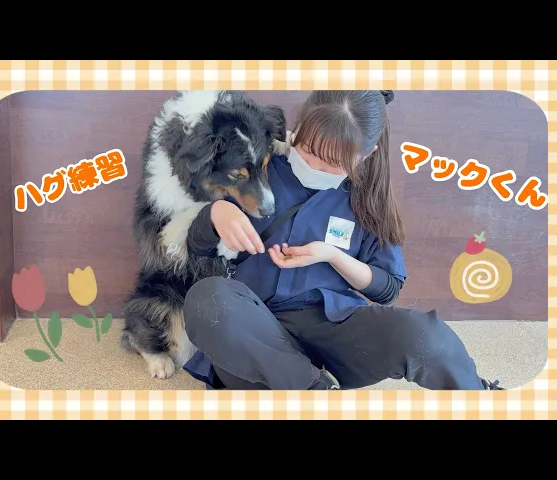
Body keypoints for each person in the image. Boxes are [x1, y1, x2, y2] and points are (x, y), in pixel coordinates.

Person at [181, 90, 504, 391]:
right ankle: (315, 388)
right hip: (252, 334)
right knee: (207, 298)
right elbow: (196, 248)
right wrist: (216, 213)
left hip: (333, 330)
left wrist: (332, 255)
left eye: (334, 163)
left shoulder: (365, 198)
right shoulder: (257, 170)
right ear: (298, 127)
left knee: (424, 336)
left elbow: (388, 288)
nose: (314, 167)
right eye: (308, 151)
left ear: (366, 155)